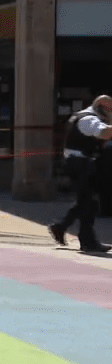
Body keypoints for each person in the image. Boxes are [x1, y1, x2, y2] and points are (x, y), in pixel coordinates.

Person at [49, 95, 112, 253]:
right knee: (88, 204)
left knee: (86, 202)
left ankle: (62, 227)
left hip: (77, 162)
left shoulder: (80, 115)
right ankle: (87, 241)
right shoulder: (89, 119)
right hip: (81, 164)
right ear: (103, 109)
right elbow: (103, 132)